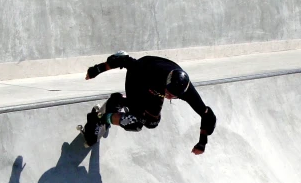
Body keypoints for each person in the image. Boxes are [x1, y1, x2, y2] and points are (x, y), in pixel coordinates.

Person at [84, 52, 216, 154]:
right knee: (135, 122)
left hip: (155, 90)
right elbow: (123, 61)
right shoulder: (151, 71)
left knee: (151, 123)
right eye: (168, 92)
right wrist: (96, 70)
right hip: (138, 79)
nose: (169, 96)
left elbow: (207, 115)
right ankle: (100, 118)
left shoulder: (188, 93)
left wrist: (202, 142)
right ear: (166, 83)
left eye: (173, 95)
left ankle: (118, 100)